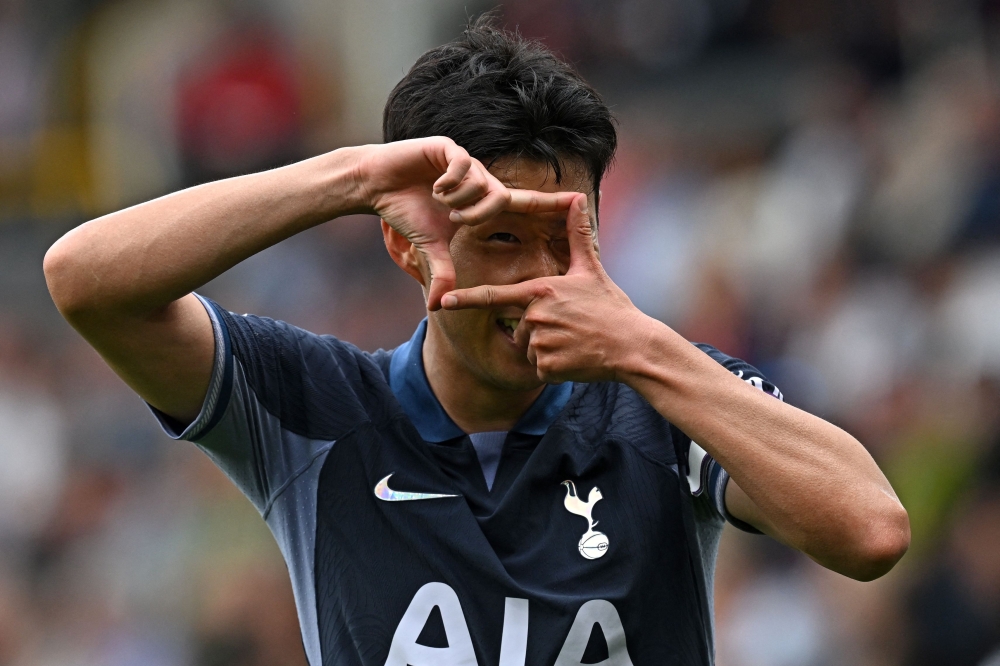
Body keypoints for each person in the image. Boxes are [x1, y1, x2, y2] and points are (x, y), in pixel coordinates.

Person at [43, 17, 910, 666]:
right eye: (501, 236)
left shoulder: (664, 399)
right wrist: (350, 178)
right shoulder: (316, 407)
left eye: (565, 235)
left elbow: (871, 530)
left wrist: (641, 348)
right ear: (406, 243)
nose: (542, 278)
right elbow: (84, 279)